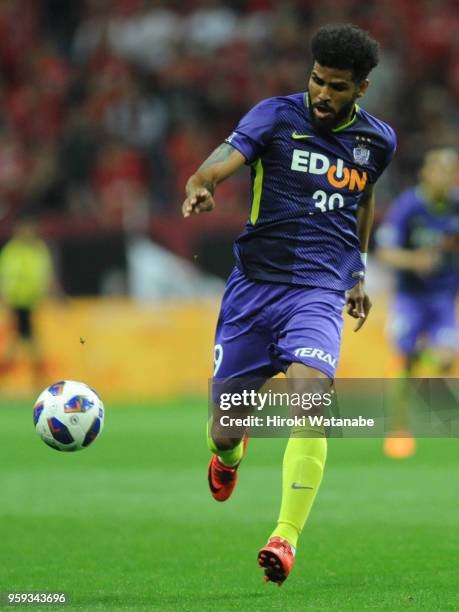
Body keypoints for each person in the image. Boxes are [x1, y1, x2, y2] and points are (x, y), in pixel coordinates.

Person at [182, 24, 396, 585]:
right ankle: (228, 456)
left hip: (318, 294)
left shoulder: (379, 141)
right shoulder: (275, 116)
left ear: (362, 89)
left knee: (312, 402)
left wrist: (357, 270)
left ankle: (285, 537)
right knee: (225, 429)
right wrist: (202, 183)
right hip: (253, 292)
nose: (323, 94)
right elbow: (224, 159)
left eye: (338, 87)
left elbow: (364, 195)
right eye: (318, 81)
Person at [376, 146, 459, 459]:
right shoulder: (408, 207)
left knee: (445, 359)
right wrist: (415, 260)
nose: (446, 176)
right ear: (425, 172)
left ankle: (416, 354)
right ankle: (398, 431)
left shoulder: (455, 206)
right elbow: (385, 251)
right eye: (439, 169)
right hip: (410, 299)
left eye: (451, 170)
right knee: (404, 363)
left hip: (442, 300)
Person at [0, 216, 54, 387]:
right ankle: (37, 380)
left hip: (31, 303)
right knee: (24, 343)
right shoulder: (12, 251)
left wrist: (45, 294)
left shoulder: (38, 250)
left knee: (22, 342)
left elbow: (45, 274)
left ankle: (36, 380)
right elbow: (6, 276)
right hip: (16, 302)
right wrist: (6, 298)